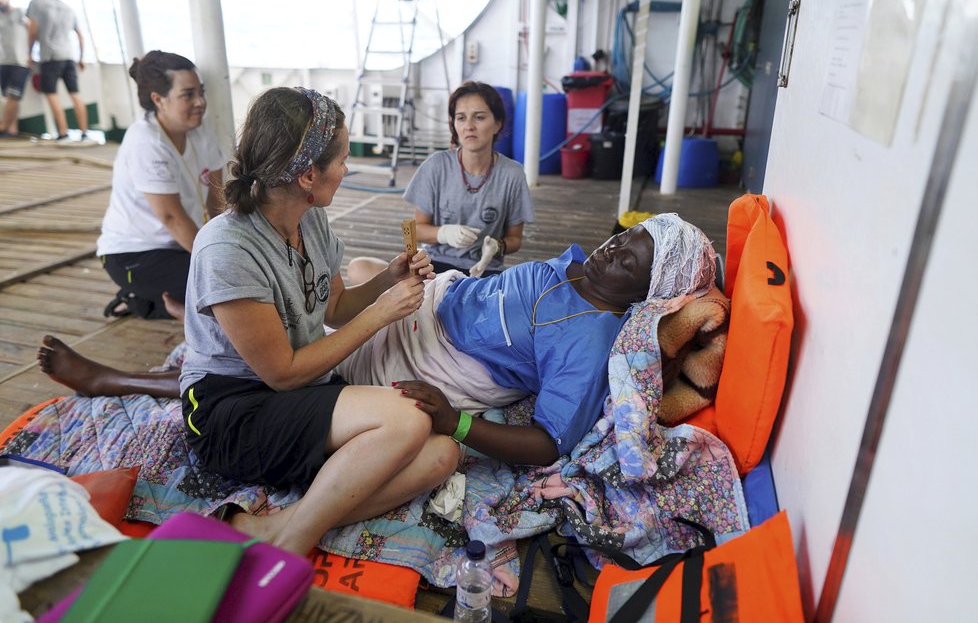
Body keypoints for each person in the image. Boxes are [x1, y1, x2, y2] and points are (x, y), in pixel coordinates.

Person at [39, 212, 717, 469]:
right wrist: (423, 276)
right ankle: (234, 356)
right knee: (358, 276)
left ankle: (121, 381)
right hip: (439, 305)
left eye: (628, 260)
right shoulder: (575, 268)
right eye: (621, 237)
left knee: (298, 372)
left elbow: (547, 445)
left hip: (443, 362)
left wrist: (455, 422)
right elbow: (495, 295)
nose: (608, 253)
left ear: (648, 292)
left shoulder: (589, 341)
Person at [176, 86, 458, 556]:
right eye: (343, 159)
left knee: (440, 455)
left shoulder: (310, 220)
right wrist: (379, 315)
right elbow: (282, 372)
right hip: (232, 412)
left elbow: (335, 307)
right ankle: (296, 540)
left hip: (299, 394)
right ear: (308, 174)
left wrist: (390, 279)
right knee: (407, 420)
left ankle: (278, 525)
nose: (346, 170)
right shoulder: (226, 248)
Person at [347, 81, 534, 282]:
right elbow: (416, 229)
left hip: (483, 273)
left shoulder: (512, 173)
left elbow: (515, 239)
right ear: (453, 123)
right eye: (461, 118)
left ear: (498, 123)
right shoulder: (436, 165)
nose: (469, 126)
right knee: (359, 268)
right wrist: (443, 233)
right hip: (433, 269)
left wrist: (497, 247)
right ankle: (437, 303)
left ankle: (433, 306)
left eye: (479, 117)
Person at [95, 50, 224, 320]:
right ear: (158, 100)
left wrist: (233, 245)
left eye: (201, 92)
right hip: (135, 253)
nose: (200, 102)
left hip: (181, 244)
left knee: (240, 275)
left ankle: (168, 299)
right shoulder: (146, 143)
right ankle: (141, 300)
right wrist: (220, 259)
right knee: (223, 288)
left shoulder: (199, 129)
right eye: (188, 95)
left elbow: (217, 197)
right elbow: (171, 217)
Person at [25, 0, 87, 140]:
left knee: (51, 94)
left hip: (50, 57)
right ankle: (84, 132)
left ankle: (63, 132)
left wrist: (29, 53)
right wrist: (81, 58)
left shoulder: (36, 3)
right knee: (75, 93)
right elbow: (81, 36)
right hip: (69, 57)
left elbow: (32, 31)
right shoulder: (67, 7)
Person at [0, 0, 30, 136]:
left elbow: (32, 30)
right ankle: (13, 129)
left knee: (14, 95)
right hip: (4, 62)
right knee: (10, 97)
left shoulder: (20, 12)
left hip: (21, 61)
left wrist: (31, 53)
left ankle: (3, 127)